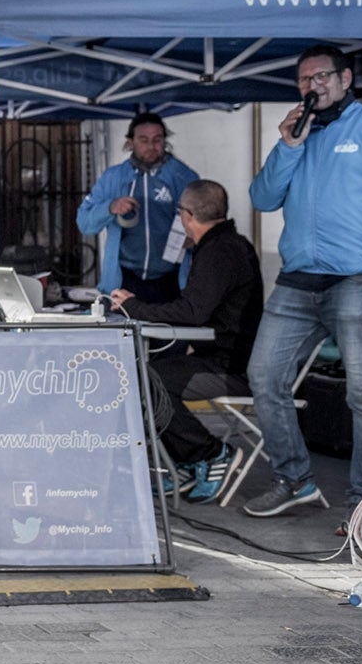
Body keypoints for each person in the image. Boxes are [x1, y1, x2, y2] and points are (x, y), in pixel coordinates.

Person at [242, 44, 362, 518]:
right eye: (305, 80)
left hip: (359, 279)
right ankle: (294, 479)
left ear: (346, 79)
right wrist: (288, 146)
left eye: (322, 76)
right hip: (297, 281)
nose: (313, 87)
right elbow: (262, 199)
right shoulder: (298, 137)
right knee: (264, 376)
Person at [111, 180, 265, 504]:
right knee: (148, 375)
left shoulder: (221, 251)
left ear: (187, 215)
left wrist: (133, 305)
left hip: (232, 368)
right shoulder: (224, 245)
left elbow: (192, 311)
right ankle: (182, 462)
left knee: (147, 382)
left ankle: (211, 454)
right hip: (225, 357)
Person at [77, 113, 200, 304]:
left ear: (165, 141)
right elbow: (84, 223)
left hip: (172, 280)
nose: (151, 147)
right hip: (124, 279)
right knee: (126, 333)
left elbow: (206, 224)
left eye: (157, 140)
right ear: (130, 143)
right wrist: (110, 207)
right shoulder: (113, 177)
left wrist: (195, 237)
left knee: (169, 333)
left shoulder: (183, 176)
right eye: (143, 140)